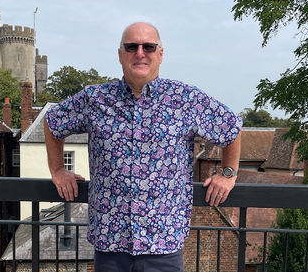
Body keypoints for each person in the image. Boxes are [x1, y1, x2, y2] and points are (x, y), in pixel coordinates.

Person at [44, 22, 242, 272]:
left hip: (163, 245)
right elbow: (52, 122)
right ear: (120, 55)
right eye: (131, 47)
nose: (140, 53)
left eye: (148, 46)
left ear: (160, 54)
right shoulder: (94, 99)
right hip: (110, 243)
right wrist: (58, 170)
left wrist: (228, 173)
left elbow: (231, 128)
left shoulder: (185, 100)